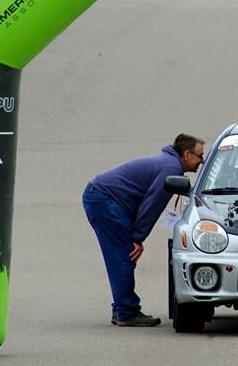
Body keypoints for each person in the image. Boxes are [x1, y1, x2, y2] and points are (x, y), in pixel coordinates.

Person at [83, 134, 205, 327]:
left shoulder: (169, 164)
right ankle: (126, 311)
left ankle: (121, 309)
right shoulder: (170, 168)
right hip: (105, 199)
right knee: (125, 255)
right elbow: (151, 205)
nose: (202, 161)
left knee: (120, 255)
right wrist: (138, 238)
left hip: (101, 198)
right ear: (187, 154)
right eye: (200, 156)